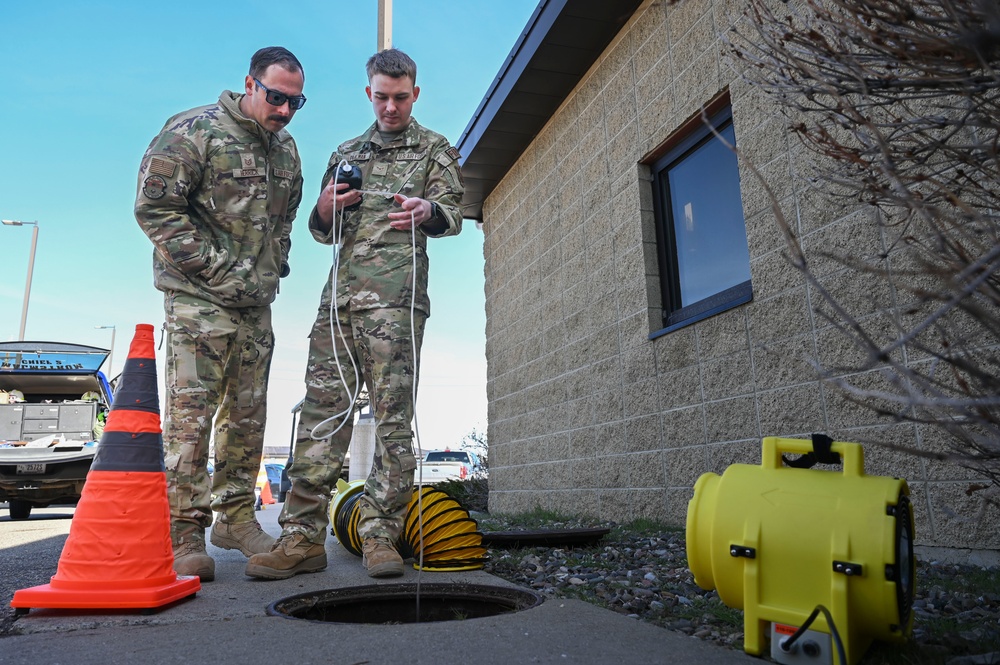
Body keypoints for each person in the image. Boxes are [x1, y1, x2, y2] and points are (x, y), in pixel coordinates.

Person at [246, 48, 464, 580]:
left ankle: (381, 536)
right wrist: (324, 209)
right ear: (369, 93)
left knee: (392, 424)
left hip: (396, 304)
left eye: (402, 97)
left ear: (415, 94)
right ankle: (300, 539)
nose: (391, 107)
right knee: (321, 418)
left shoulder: (434, 149)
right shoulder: (348, 150)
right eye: (382, 97)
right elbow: (321, 231)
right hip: (339, 306)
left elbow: (455, 215)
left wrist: (427, 210)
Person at [134, 46, 306, 582]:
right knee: (191, 420)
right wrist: (218, 273)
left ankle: (235, 518)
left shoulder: (287, 150)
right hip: (198, 300)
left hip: (255, 305)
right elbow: (156, 209)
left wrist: (274, 267)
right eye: (276, 97)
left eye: (296, 102)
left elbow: (285, 219)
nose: (284, 110)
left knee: (248, 416)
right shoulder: (193, 132)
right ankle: (184, 532)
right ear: (250, 84)